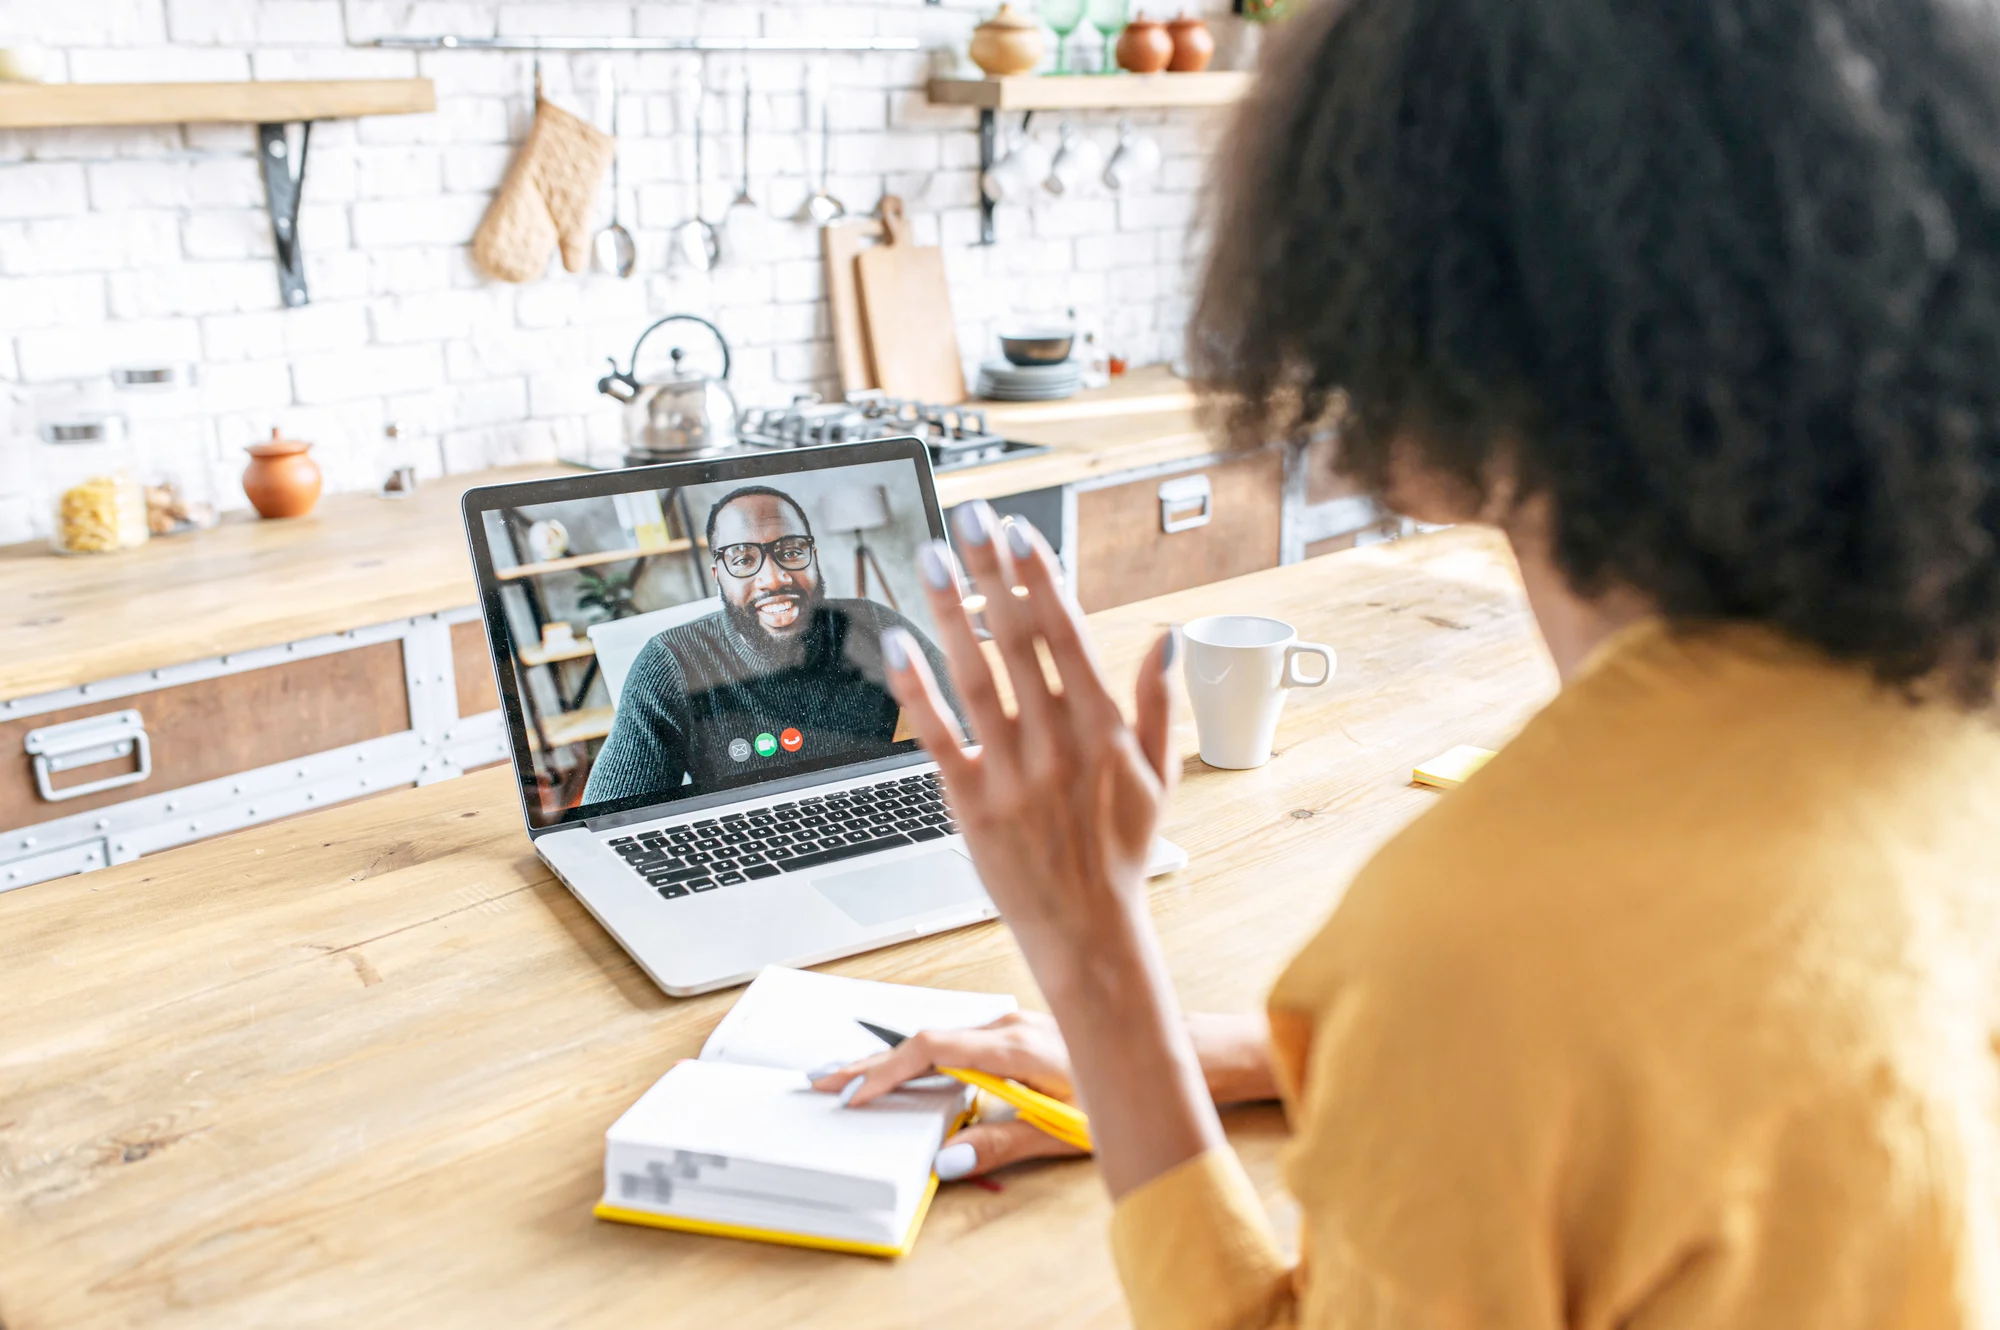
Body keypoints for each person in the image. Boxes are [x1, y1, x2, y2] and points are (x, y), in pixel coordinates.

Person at [813, 0, 2000, 1324]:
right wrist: (1270, 1056)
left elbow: (1532, 1028)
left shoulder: (1476, 951)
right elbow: (1706, 1074)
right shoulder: (1958, 718)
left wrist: (1092, 955)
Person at [583, 486, 955, 804]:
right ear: (718, 576)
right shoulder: (670, 663)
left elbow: (972, 720)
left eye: (791, 552)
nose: (773, 578)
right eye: (743, 559)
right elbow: (609, 820)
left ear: (814, 558)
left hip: (879, 814)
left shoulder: (872, 624)